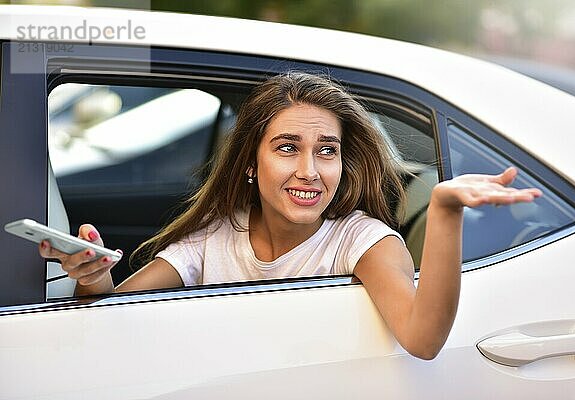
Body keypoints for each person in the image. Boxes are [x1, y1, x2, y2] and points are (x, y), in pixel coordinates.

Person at [39, 72, 542, 360]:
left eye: (327, 150)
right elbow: (113, 314)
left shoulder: (361, 240)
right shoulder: (216, 237)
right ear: (251, 164)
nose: (310, 171)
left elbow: (423, 338)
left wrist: (445, 211)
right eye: (286, 148)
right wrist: (92, 279)